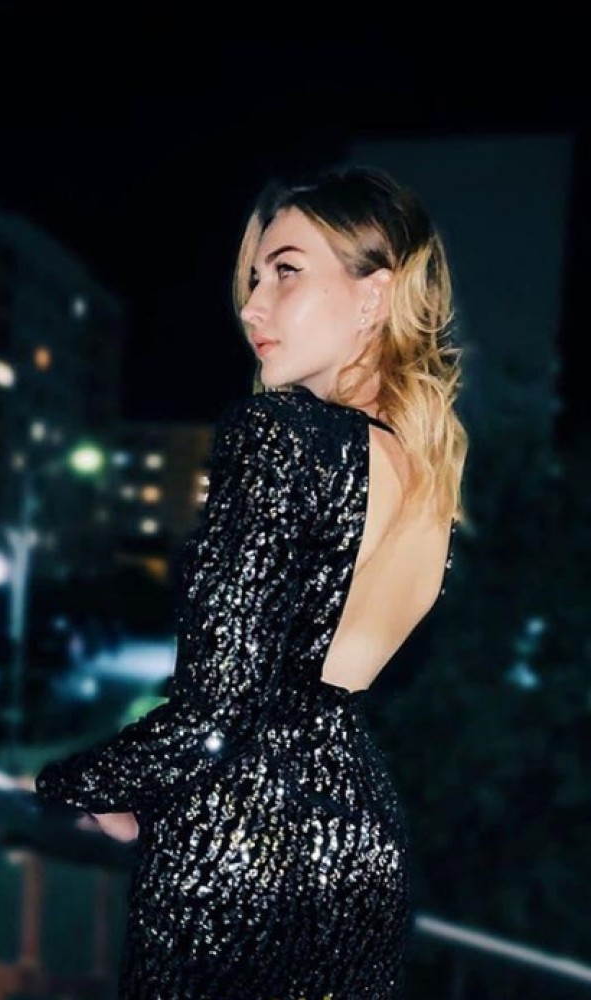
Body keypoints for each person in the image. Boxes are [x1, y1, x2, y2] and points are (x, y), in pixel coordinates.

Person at [34, 163, 468, 998]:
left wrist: (70, 785)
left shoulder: (280, 434)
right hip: (360, 847)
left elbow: (218, 710)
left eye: (286, 272)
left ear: (375, 295)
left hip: (240, 851)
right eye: (253, 280)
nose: (252, 306)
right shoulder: (424, 473)